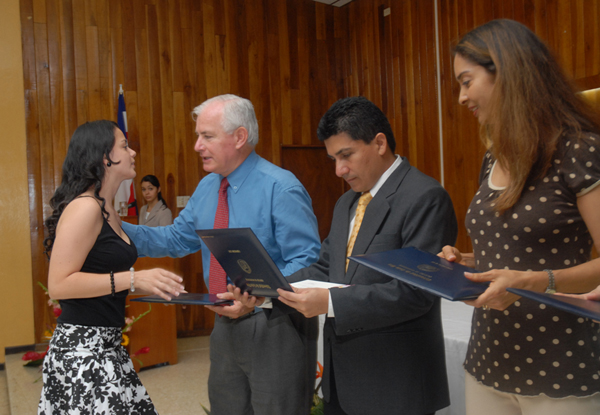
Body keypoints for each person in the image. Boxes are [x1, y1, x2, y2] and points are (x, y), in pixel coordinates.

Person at [236, 96, 458, 415]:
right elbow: (327, 267)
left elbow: (416, 293)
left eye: (346, 155)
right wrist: (265, 288)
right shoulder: (348, 204)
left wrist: (329, 303)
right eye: (333, 159)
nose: (340, 170)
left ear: (379, 143)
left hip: (395, 381)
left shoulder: (424, 197)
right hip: (342, 381)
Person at [121, 94, 321, 415]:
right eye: (198, 136)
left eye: (207, 136)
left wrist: (257, 296)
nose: (198, 145)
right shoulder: (206, 189)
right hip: (223, 328)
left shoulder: (281, 188)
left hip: (275, 326)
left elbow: (309, 264)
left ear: (239, 137)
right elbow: (174, 239)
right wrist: (111, 227)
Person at [439, 19, 600, 415]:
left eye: (466, 80)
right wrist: (466, 261)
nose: (461, 97)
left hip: (560, 369)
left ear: (506, 71)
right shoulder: (493, 157)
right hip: (490, 363)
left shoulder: (578, 149)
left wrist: (532, 282)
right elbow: (512, 248)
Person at [38, 120, 185, 414]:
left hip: (108, 347)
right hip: (83, 351)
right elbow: (60, 284)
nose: (132, 152)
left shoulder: (107, 211)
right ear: (106, 157)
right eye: (124, 145)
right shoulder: (85, 207)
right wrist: (133, 279)